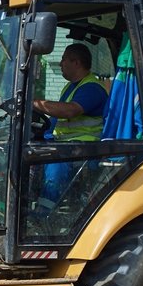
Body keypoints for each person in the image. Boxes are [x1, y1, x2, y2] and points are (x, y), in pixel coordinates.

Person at [31, 43, 108, 213]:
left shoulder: (92, 88)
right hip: (70, 144)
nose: (60, 64)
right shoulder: (71, 86)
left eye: (63, 59)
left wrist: (35, 103)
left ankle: (44, 212)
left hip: (85, 150)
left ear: (76, 63)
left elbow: (70, 110)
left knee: (55, 160)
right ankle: (30, 203)